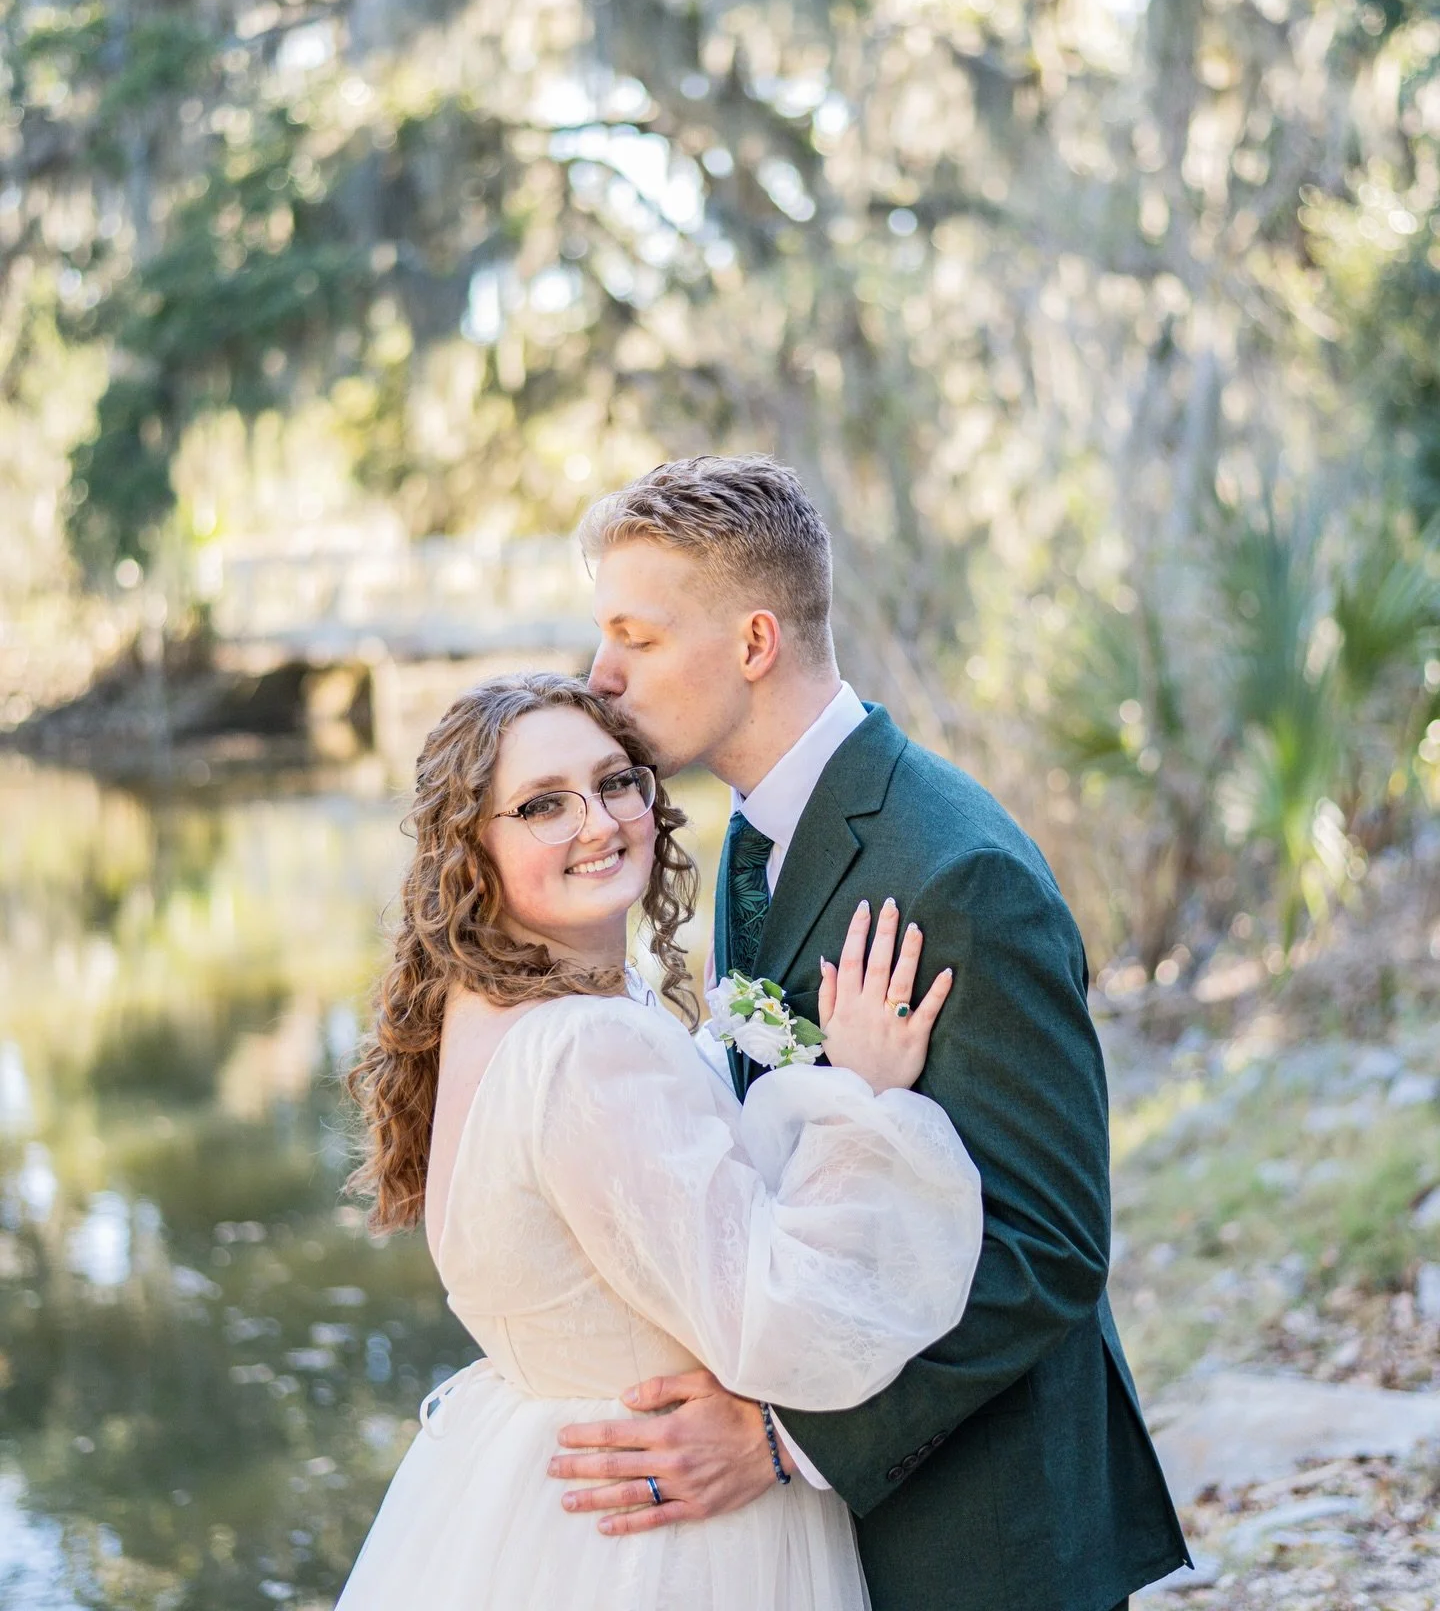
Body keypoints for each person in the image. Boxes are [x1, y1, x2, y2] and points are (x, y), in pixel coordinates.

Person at [549, 454, 1190, 1611]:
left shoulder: (961, 875)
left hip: (983, 1537)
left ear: (753, 644)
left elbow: (1048, 1248)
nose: (599, 675)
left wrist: (782, 1437)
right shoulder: (755, 835)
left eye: (635, 639)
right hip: (841, 1545)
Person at [337, 671, 984, 1611]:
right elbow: (780, 1319)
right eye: (542, 805)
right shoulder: (585, 1045)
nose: (598, 823)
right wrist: (861, 1098)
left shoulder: (480, 1003)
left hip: (534, 1490)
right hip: (665, 1539)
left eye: (615, 782)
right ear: (471, 846)